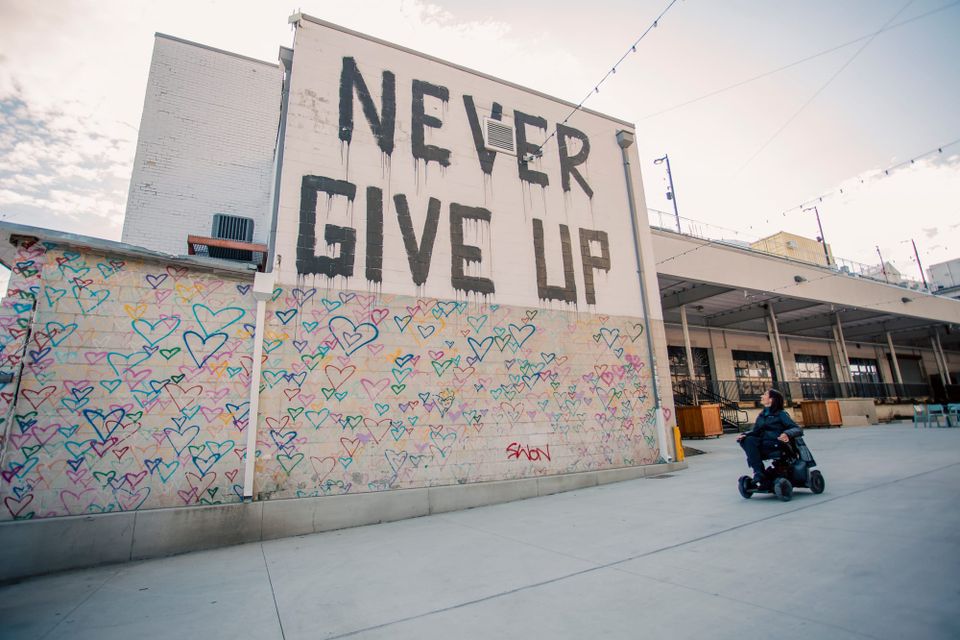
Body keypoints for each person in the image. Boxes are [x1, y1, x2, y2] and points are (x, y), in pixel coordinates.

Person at [737, 388, 802, 488]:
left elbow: (797, 429)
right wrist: (745, 434)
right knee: (746, 440)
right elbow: (756, 431)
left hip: (776, 443)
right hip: (764, 443)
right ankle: (759, 472)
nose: (761, 396)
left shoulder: (781, 414)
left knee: (753, 444)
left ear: (771, 399)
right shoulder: (762, 415)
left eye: (765, 394)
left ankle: (763, 475)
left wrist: (787, 434)